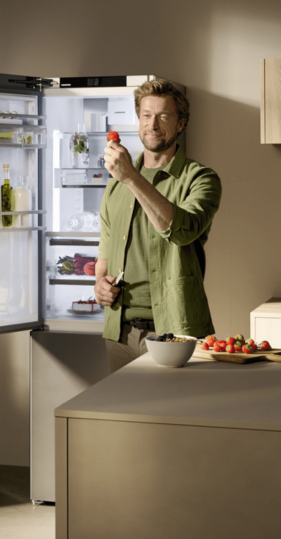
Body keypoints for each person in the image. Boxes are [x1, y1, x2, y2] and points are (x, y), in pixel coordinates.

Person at [94, 78, 222, 373]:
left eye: (164, 116)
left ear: (181, 124)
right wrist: (99, 284)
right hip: (120, 332)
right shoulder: (114, 187)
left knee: (175, 416)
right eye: (146, 115)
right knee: (123, 416)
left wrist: (131, 178)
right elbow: (104, 252)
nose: (153, 125)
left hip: (176, 329)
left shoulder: (201, 179)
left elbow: (182, 230)